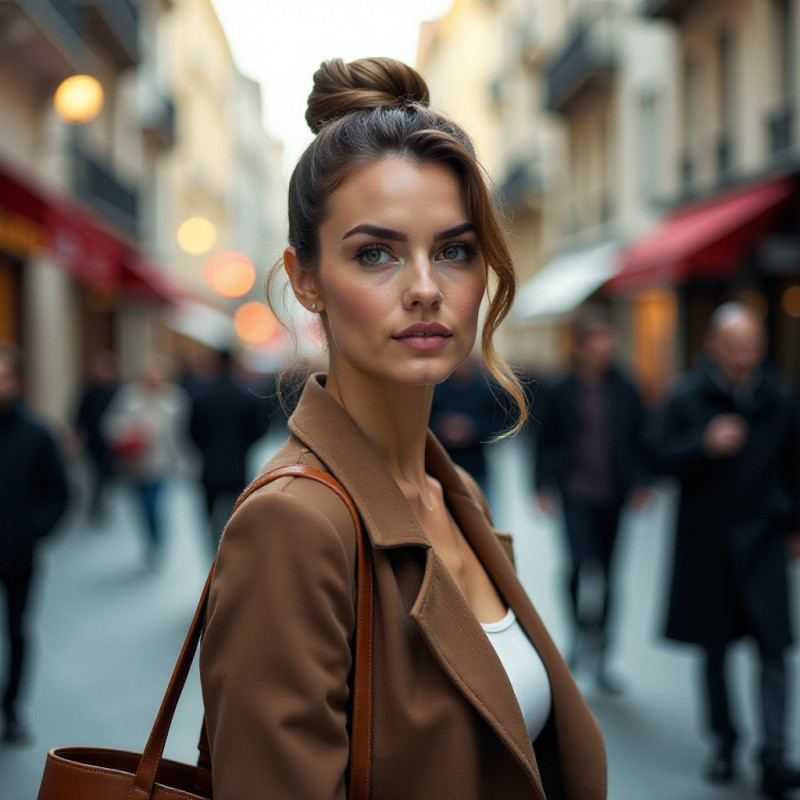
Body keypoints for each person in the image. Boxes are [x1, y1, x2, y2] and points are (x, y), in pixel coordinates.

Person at [199, 57, 606, 799]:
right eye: (375, 253)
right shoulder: (293, 527)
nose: (425, 289)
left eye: (454, 250)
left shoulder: (457, 497)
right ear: (306, 278)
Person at [649, 302, 800, 798]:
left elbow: (796, 466)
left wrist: (794, 526)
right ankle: (724, 744)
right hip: (707, 545)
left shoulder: (779, 397)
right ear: (713, 346)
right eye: (737, 347)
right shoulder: (688, 397)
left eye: (754, 346)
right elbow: (655, 456)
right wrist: (703, 444)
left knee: (774, 649)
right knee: (715, 650)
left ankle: (775, 754)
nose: (746, 356)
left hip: (765, 540)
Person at [535, 305, 650, 691]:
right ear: (582, 346)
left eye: (609, 341)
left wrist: (641, 482)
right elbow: (544, 438)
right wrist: (541, 486)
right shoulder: (561, 388)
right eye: (599, 341)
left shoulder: (626, 387)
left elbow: (641, 438)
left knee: (610, 574)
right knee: (578, 567)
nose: (607, 349)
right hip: (574, 492)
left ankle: (601, 653)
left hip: (614, 494)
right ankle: (575, 636)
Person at [0, 344, 69, 743]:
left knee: (16, 630)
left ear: (18, 381)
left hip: (17, 555)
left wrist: (31, 531)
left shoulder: (36, 433)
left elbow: (59, 493)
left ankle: (11, 709)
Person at [103, 354, 189, 569]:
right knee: (141, 506)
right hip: (134, 463)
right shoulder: (128, 397)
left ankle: (158, 543)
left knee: (154, 504)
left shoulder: (175, 399)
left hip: (162, 463)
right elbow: (110, 424)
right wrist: (129, 434)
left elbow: (182, 434)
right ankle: (151, 540)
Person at [189, 349, 266, 553]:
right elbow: (259, 429)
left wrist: (205, 448)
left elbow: (191, 432)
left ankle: (213, 557)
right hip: (237, 464)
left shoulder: (202, 398)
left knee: (208, 516)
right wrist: (244, 445)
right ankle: (234, 555)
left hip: (209, 465)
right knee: (238, 513)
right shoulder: (245, 397)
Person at [430, 355, 501, 496]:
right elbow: (425, 422)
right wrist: (443, 427)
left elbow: (498, 425)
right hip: (443, 466)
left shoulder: (485, 389)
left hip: (476, 466)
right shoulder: (435, 390)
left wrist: (472, 428)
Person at [72, 351, 119, 524]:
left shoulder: (117, 390)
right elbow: (79, 413)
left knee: (106, 473)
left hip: (112, 441)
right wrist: (76, 435)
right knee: (97, 472)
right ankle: (96, 504)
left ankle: (100, 502)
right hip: (93, 440)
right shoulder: (88, 390)